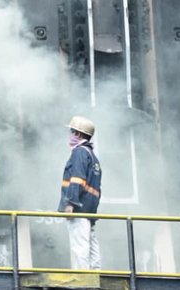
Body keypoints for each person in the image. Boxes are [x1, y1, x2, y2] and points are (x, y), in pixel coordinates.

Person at [58, 114, 102, 271]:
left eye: (72, 131)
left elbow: (77, 179)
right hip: (89, 210)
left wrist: (70, 203)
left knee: (80, 246)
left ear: (79, 133)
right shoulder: (92, 156)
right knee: (91, 245)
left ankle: (83, 281)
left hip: (79, 208)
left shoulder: (79, 153)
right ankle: (95, 274)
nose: (70, 135)